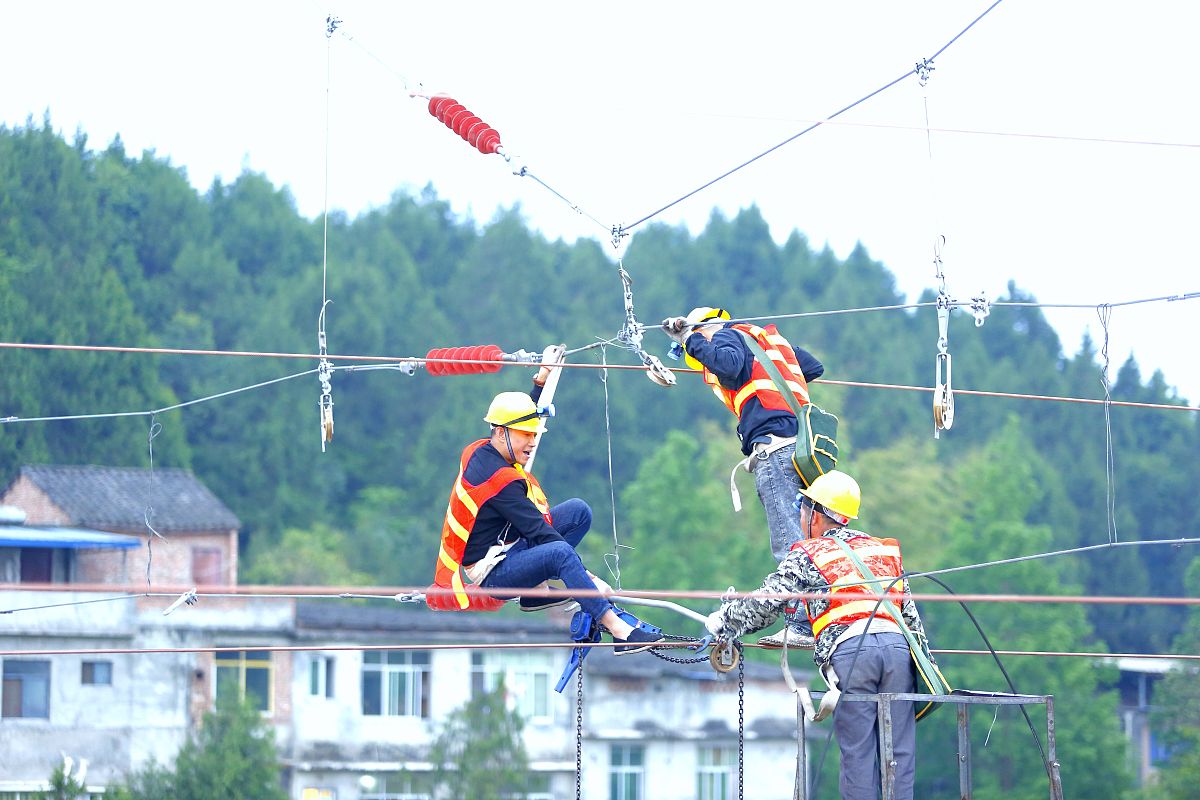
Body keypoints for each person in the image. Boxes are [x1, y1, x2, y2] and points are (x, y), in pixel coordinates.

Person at [704, 471, 937, 800]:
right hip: (899, 652)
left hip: (854, 653)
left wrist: (725, 621)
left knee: (858, 753)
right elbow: (910, 617)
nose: (800, 517)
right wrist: (927, 666)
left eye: (801, 508)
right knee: (898, 752)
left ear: (815, 513)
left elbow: (769, 601)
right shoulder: (882, 551)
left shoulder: (809, 553)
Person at [429, 369, 664, 655]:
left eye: (534, 434)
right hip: (493, 571)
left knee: (578, 512)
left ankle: (536, 593)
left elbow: (517, 419)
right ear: (501, 433)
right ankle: (620, 631)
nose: (532, 442)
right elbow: (540, 533)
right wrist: (591, 580)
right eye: (526, 435)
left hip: (510, 546)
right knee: (560, 553)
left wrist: (540, 384)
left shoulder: (482, 448)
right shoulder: (499, 481)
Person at [663, 306, 825, 647]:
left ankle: (802, 624)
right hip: (803, 448)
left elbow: (727, 364)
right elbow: (812, 367)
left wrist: (689, 337)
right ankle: (819, 616)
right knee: (807, 538)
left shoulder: (725, 335)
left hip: (775, 450)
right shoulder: (767, 340)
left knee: (790, 544)